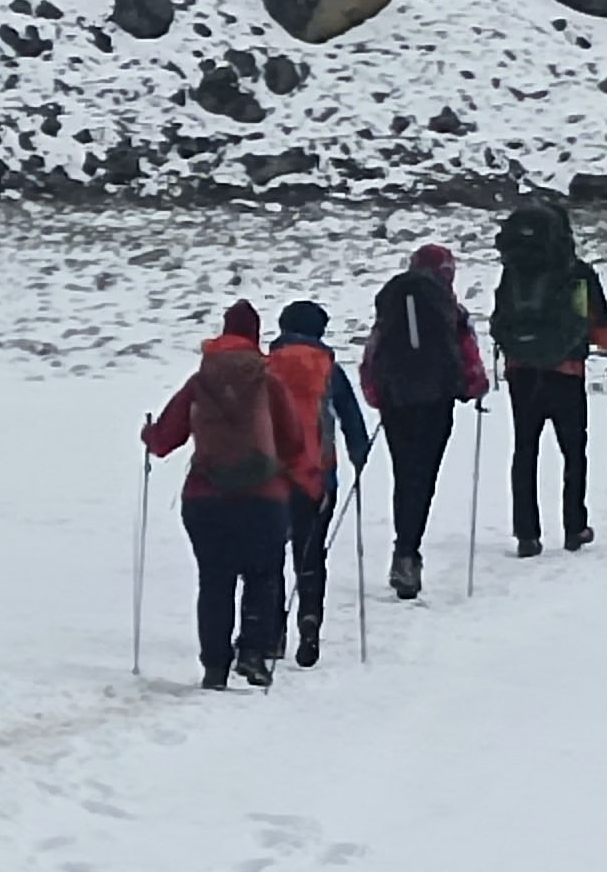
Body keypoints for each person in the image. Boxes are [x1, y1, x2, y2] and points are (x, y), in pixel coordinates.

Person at [140, 301, 316, 689]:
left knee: (215, 581)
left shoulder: (200, 380)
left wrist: (149, 436)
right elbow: (292, 441)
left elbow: (166, 438)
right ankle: (253, 653)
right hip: (263, 498)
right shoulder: (269, 382)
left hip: (205, 498)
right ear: (255, 337)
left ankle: (215, 668)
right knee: (263, 574)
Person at [487, 200, 607, 556]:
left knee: (525, 449)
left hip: (521, 372)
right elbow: (602, 332)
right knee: (573, 451)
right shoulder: (578, 273)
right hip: (566, 372)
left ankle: (526, 535)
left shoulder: (513, 271)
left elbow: (500, 317)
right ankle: (574, 528)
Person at [358, 243, 488, 602]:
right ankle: (408, 553)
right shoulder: (450, 308)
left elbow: (374, 348)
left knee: (404, 473)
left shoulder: (393, 298)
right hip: (436, 398)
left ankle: (405, 551)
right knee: (424, 475)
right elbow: (467, 353)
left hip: (396, 398)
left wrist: (376, 393)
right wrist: (474, 386)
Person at [266, 300, 372, 667]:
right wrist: (360, 455)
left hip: (270, 479)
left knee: (269, 557)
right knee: (310, 555)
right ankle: (309, 622)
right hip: (317, 478)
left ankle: (272, 632)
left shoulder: (265, 367)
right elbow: (351, 421)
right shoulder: (329, 369)